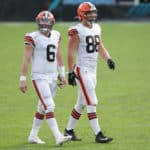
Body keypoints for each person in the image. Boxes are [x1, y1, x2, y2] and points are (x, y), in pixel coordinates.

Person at [64, 2, 115, 143]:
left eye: (93, 12)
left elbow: (100, 46)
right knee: (92, 102)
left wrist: (108, 58)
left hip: (93, 70)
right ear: (82, 14)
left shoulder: (97, 28)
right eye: (89, 12)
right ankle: (98, 134)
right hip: (82, 70)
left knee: (81, 103)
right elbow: (70, 54)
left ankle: (68, 131)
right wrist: (70, 72)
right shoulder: (77, 30)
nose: (93, 15)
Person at [19, 10, 71, 146]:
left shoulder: (56, 35)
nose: (45, 24)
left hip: (52, 77)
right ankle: (58, 137)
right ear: (38, 22)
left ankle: (33, 135)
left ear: (52, 23)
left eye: (47, 22)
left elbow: (59, 55)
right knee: (49, 105)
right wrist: (22, 79)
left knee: (42, 107)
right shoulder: (32, 37)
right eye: (42, 22)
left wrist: (62, 74)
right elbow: (26, 58)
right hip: (39, 77)